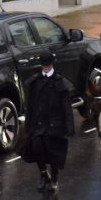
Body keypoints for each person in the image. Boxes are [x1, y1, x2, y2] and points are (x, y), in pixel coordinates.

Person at [20, 52, 74, 192]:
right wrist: (28, 123)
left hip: (55, 124)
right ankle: (44, 174)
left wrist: (69, 126)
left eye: (47, 65)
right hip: (38, 124)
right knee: (37, 147)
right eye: (43, 65)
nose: (45, 68)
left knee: (53, 151)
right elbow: (30, 105)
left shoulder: (60, 82)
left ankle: (54, 177)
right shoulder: (35, 81)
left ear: (52, 64)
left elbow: (66, 107)